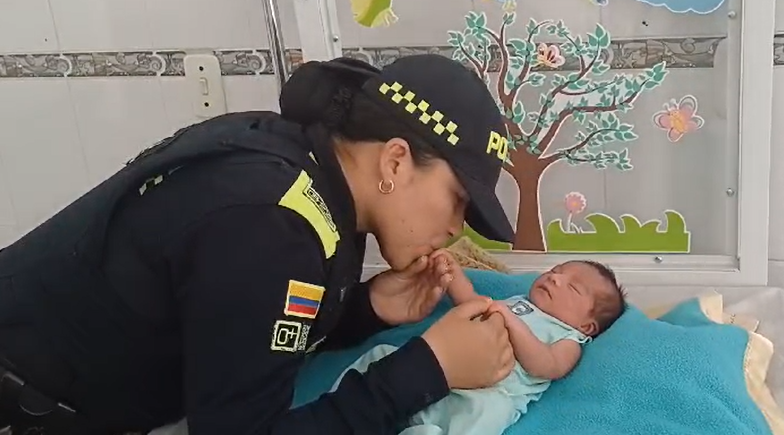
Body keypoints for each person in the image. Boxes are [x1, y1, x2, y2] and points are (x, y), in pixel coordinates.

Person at [0, 53, 518, 435]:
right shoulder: (270, 224)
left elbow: (248, 330)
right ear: (396, 161)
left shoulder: (317, 179)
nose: (457, 229)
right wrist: (429, 369)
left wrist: (368, 309)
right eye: (457, 199)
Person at [329, 256, 626, 435]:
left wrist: (510, 322)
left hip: (493, 393)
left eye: (572, 286)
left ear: (587, 326)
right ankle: (339, 409)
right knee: (383, 356)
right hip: (449, 373)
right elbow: (472, 303)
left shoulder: (570, 338)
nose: (555, 278)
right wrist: (452, 274)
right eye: (556, 270)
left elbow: (548, 365)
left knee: (487, 416)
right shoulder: (517, 303)